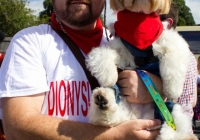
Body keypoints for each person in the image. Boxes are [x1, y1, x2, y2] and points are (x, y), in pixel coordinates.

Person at [0, 0, 163, 139]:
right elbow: (17, 127)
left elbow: (175, 101)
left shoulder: (125, 44)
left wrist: (157, 90)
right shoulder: (29, 41)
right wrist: (111, 136)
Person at [160, 2, 198, 119]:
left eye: (152, 18)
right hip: (186, 129)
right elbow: (193, 101)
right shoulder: (190, 55)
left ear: (168, 24)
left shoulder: (167, 55)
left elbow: (172, 99)